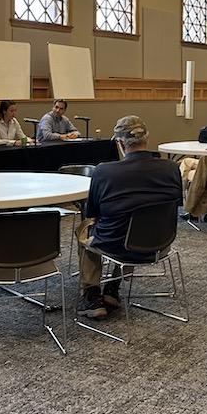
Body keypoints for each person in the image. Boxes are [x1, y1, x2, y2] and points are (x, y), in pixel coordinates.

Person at [76, 116, 182, 319]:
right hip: (161, 242)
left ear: (120, 143)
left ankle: (91, 294)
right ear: (147, 139)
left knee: (85, 229)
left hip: (118, 245)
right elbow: (176, 204)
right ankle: (112, 288)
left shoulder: (104, 171)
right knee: (137, 226)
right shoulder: (171, 168)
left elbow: (93, 214)